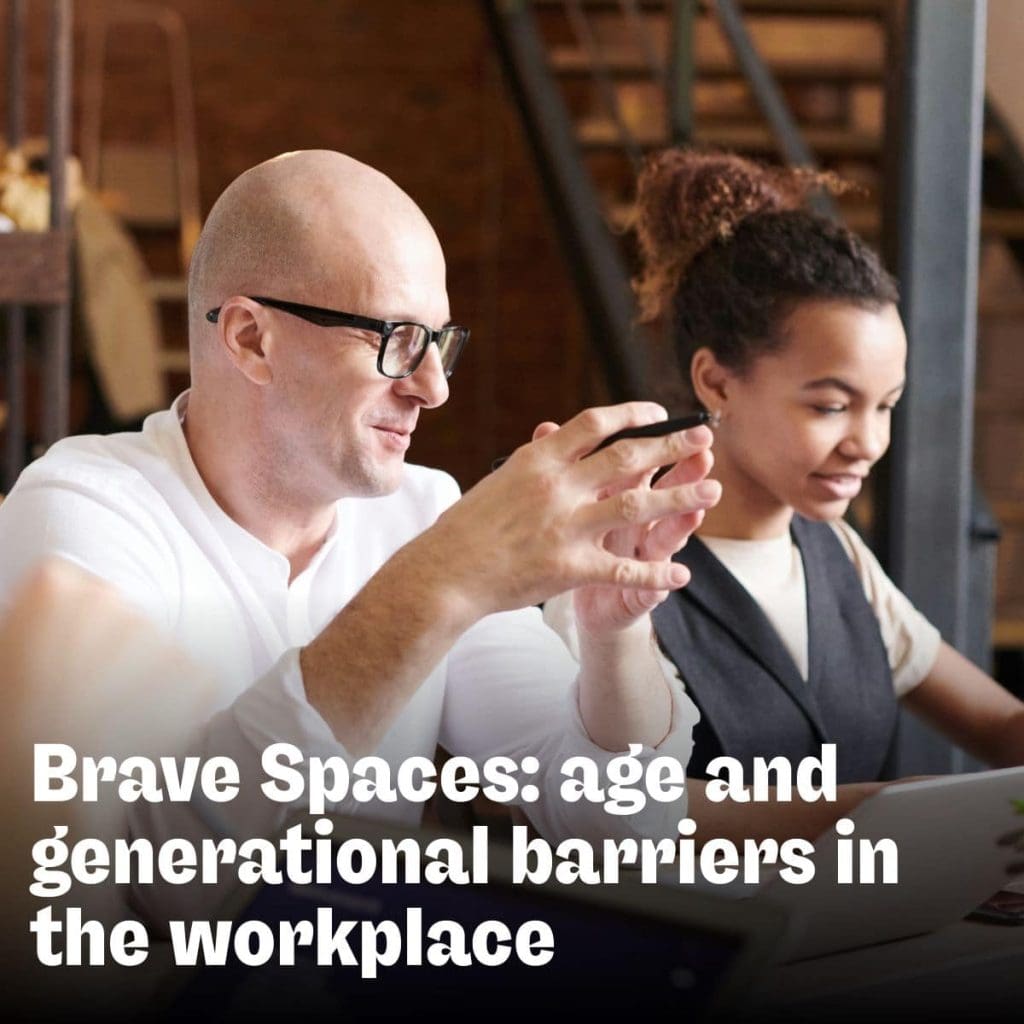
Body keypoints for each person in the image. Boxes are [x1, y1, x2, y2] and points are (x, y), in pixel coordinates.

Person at [0, 150, 721, 926]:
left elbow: (627, 835)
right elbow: (162, 884)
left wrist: (613, 631)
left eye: (441, 343)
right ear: (250, 339)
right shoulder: (85, 511)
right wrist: (445, 576)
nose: (433, 388)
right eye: (398, 339)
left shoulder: (424, 510)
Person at [624, 149, 1024, 817]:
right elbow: (610, 807)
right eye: (830, 406)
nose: (868, 443)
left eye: (886, 405)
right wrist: (876, 813)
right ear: (716, 381)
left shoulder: (834, 550)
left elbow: (1001, 726)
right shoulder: (617, 564)